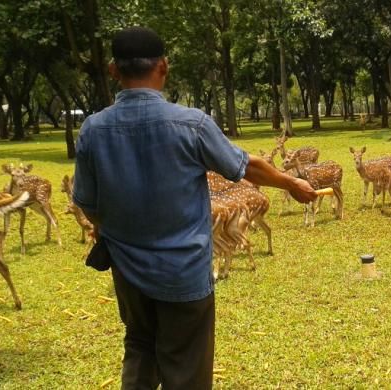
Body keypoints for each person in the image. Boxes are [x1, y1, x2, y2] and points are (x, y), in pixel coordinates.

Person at [72, 26, 317, 389]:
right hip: (183, 272)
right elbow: (244, 165)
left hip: (127, 272)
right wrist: (292, 182)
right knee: (186, 366)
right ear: (164, 67)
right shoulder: (192, 124)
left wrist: (112, 229)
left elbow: (87, 203)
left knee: (140, 347)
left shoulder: (93, 130)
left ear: (113, 70)